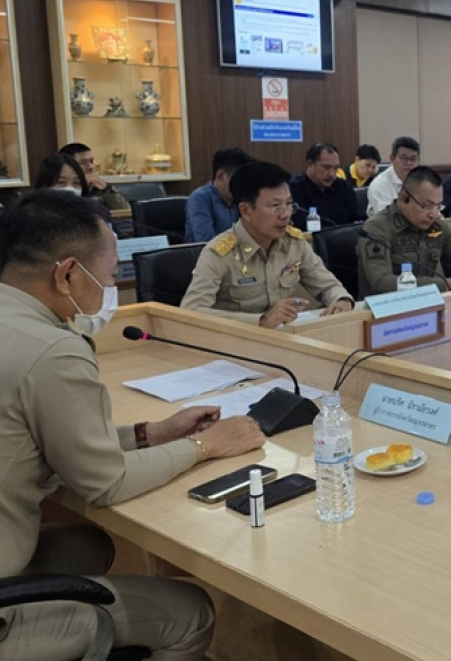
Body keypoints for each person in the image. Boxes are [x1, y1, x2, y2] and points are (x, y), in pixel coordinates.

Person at [0, 190, 266, 660]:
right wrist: (206, 446)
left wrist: (153, 433)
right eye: (107, 277)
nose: (109, 288)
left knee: (87, 545)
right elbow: (106, 483)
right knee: (190, 612)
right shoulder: (52, 350)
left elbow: (58, 441)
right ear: (66, 274)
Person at [182, 161, 355, 326]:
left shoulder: (293, 243)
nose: (285, 214)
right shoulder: (219, 254)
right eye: (275, 206)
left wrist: (341, 300)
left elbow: (327, 285)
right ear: (246, 210)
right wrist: (260, 321)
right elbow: (191, 311)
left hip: (284, 337)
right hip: (237, 341)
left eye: (289, 204)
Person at [357, 166, 451, 294]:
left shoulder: (436, 225)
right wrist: (445, 285)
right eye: (427, 206)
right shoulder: (376, 229)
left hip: (433, 306)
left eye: (438, 206)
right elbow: (381, 282)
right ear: (403, 199)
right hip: (386, 310)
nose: (433, 214)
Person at [185, 147, 253, 242]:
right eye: (240, 180)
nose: (244, 185)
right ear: (221, 175)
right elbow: (206, 241)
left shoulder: (241, 198)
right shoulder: (200, 198)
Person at [289, 142, 361, 229]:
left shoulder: (344, 187)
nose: (332, 174)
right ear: (310, 164)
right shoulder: (294, 188)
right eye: (326, 167)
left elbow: (356, 220)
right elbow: (299, 225)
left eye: (336, 168)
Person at [33, 153, 112, 222]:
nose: (70, 189)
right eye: (61, 182)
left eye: (76, 182)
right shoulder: (33, 218)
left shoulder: (93, 216)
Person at [60, 142, 129, 211]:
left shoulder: (99, 188)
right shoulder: (62, 187)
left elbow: (125, 212)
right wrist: (83, 188)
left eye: (91, 161)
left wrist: (107, 189)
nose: (91, 167)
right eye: (83, 163)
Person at [366, 136, 420, 216]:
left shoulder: (421, 181)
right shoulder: (379, 185)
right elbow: (388, 219)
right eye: (404, 158)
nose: (409, 163)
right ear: (392, 158)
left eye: (413, 159)